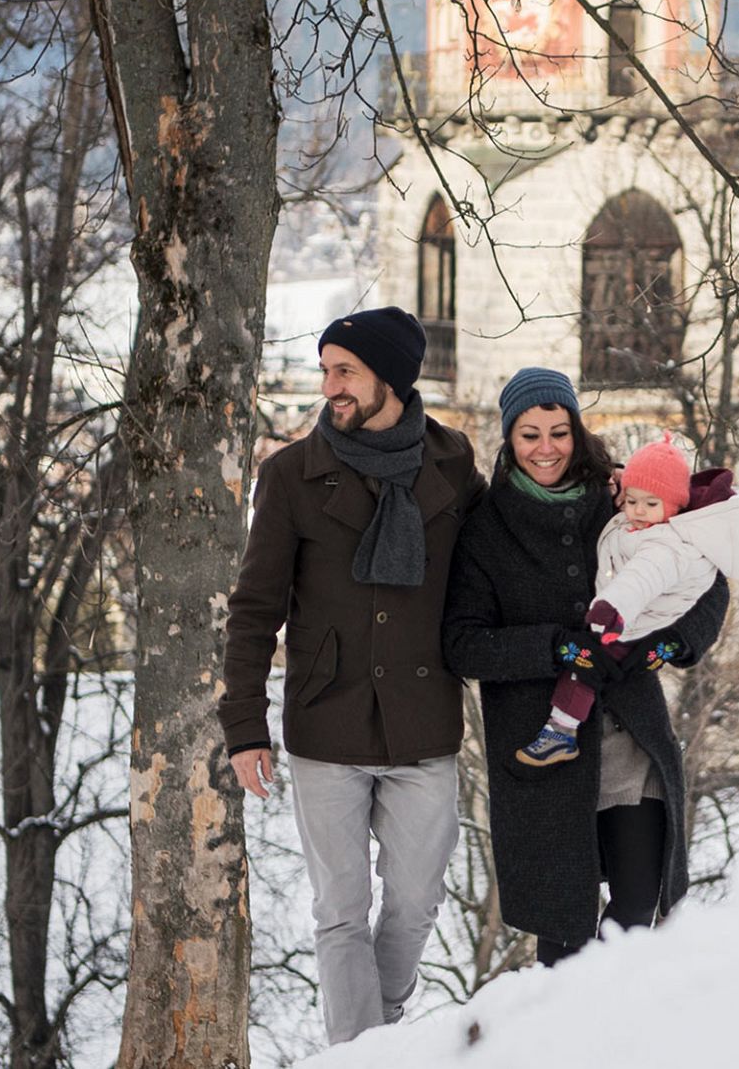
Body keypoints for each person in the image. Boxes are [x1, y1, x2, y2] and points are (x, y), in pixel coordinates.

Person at [218, 306, 486, 1046]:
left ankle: (378, 1040)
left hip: (424, 721)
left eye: (345, 370)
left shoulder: (455, 466)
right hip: (325, 724)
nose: (329, 385)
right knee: (340, 909)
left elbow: (497, 565)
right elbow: (254, 609)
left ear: (390, 378)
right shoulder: (292, 475)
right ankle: (361, 1056)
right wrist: (245, 726)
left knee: (415, 899)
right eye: (326, 368)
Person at [443, 367, 729, 965]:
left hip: (630, 742)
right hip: (545, 756)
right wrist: (555, 647)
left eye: (558, 431)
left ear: (576, 430)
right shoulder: (486, 529)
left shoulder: (621, 501)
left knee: (634, 924)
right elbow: (463, 645)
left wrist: (670, 645)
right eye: (529, 435)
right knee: (564, 945)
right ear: (508, 439)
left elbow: (706, 577)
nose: (546, 448)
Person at [516, 431, 739, 767]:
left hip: (631, 621)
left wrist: (612, 610)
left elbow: (640, 580)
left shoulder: (666, 545)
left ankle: (562, 730)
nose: (638, 510)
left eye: (651, 504)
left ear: (674, 505)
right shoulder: (637, 525)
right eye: (632, 500)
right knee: (586, 662)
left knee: (583, 669)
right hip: (626, 615)